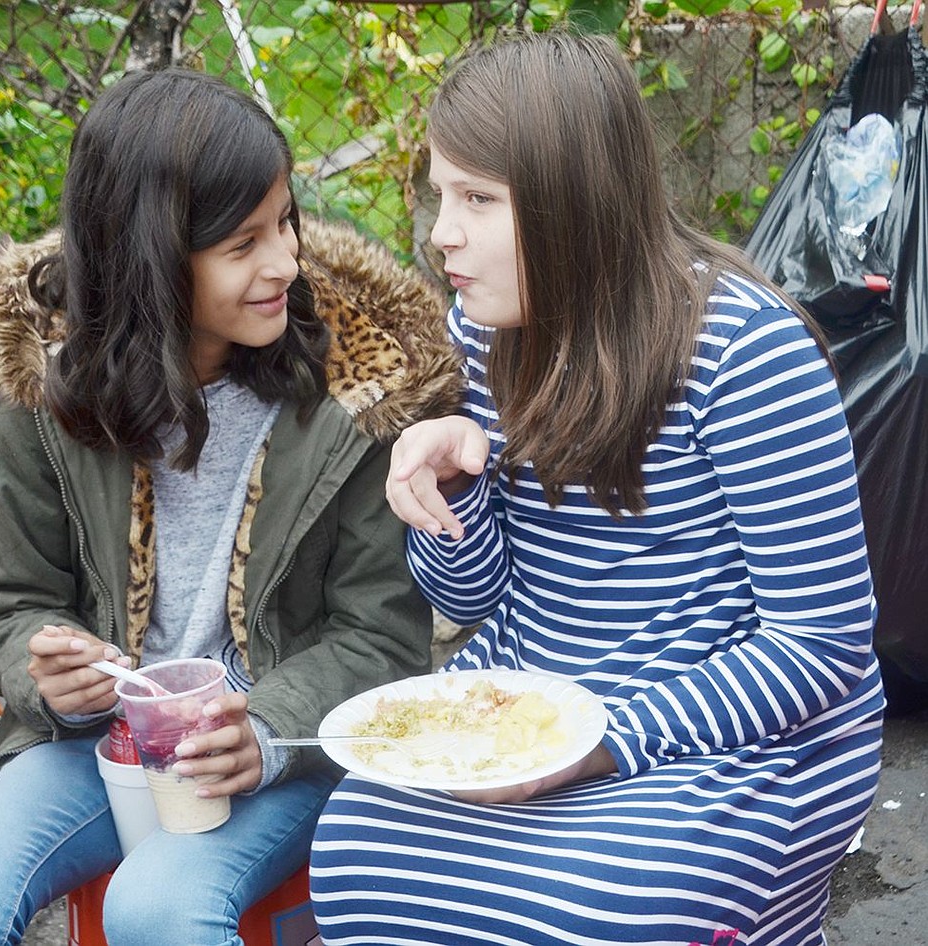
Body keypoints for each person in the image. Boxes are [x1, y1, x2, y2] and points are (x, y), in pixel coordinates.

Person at [310, 31, 885, 946]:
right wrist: (451, 486)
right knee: (353, 860)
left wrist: (598, 744)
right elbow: (474, 595)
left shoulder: (745, 350)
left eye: (477, 199)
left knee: (604, 910)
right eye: (438, 192)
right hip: (536, 691)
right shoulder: (483, 324)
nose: (439, 232)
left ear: (572, 200)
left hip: (731, 729)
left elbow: (820, 645)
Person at [0, 67, 457, 946]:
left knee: (157, 910)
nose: (284, 262)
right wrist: (53, 682)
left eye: (285, 223)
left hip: (277, 744)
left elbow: (379, 635)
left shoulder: (356, 396)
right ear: (149, 259)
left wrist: (264, 730)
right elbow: (7, 600)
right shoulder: (46, 394)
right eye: (243, 244)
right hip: (97, 745)